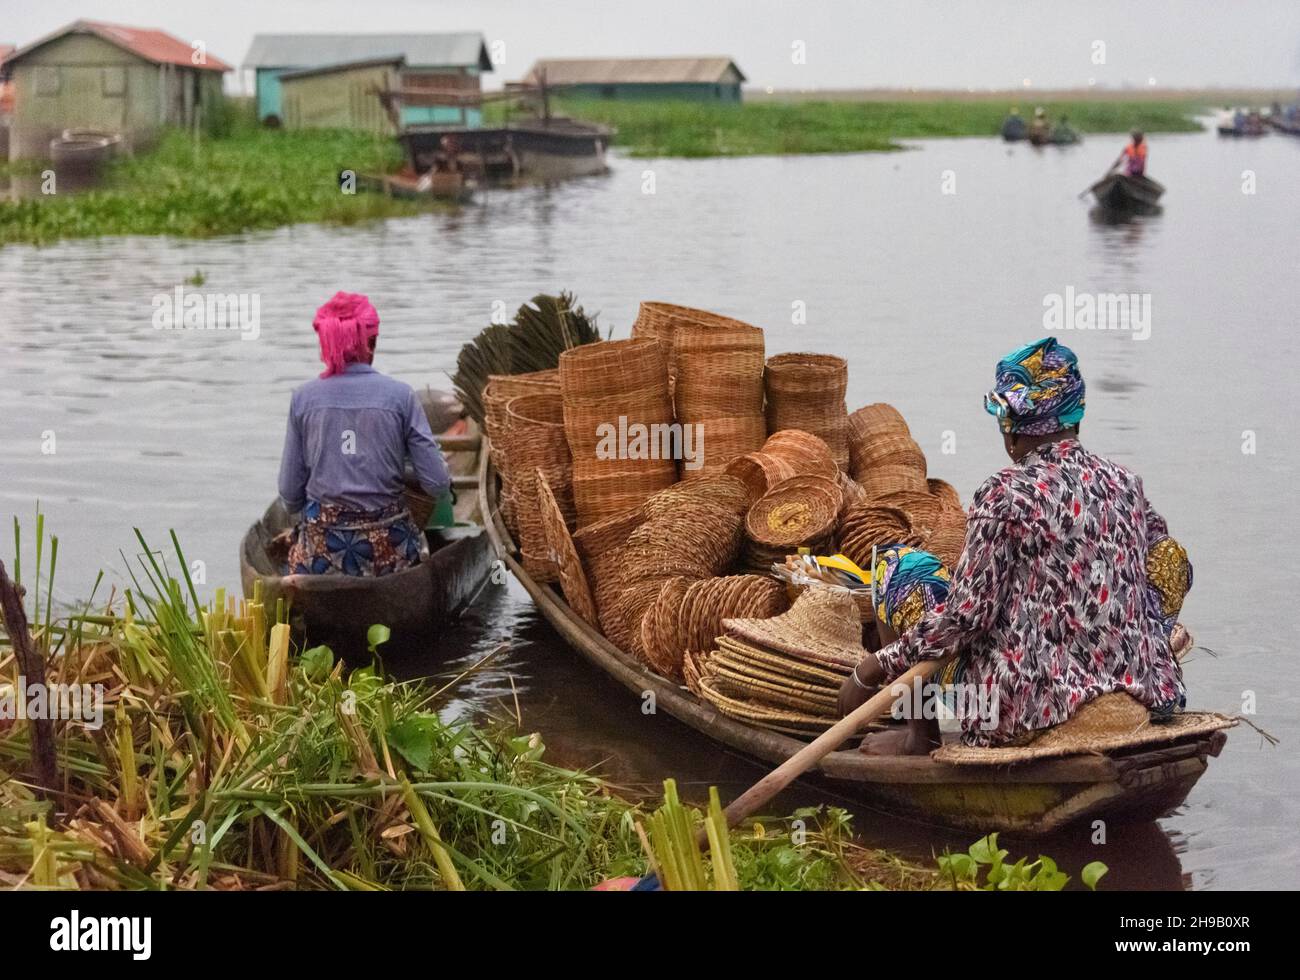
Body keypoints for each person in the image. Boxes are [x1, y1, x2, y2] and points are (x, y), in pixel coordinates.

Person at [838, 337, 1193, 752]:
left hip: (1025, 704)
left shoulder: (1005, 493)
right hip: (1135, 681)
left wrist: (875, 665)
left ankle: (920, 736)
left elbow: (967, 616)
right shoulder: (1125, 483)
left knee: (901, 568)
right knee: (1158, 561)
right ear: (1075, 416)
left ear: (1010, 426)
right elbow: (1170, 566)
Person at [278, 292, 451, 576]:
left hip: (321, 555)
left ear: (325, 343)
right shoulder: (401, 396)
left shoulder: (303, 399)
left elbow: (289, 494)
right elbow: (437, 484)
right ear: (372, 343)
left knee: (292, 556)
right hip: (389, 555)